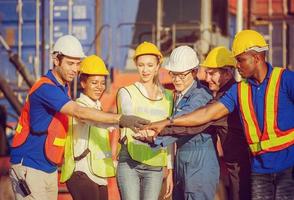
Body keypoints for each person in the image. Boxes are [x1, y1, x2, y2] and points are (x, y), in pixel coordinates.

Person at [148, 30, 294, 200]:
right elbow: (205, 114)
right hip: (258, 168)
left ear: (256, 58)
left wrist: (162, 130)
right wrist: (166, 122)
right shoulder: (238, 90)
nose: (237, 65)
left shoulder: (285, 79)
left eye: (240, 60)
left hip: (283, 167)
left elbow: (198, 122)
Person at [9, 35, 149, 200]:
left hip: (48, 167)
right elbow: (79, 111)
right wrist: (120, 119)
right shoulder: (46, 88)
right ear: (56, 60)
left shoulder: (63, 87)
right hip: (29, 166)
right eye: (70, 63)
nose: (75, 69)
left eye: (77, 64)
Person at [158, 45, 219, 200]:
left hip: (200, 160)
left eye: (182, 75)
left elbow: (181, 123)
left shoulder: (200, 96)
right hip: (183, 158)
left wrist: (154, 137)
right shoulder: (178, 95)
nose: (177, 79)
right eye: (173, 74)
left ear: (194, 72)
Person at [116, 42, 174, 200]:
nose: (145, 70)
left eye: (150, 65)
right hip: (129, 161)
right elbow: (128, 115)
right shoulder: (126, 92)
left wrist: (170, 170)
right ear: (136, 65)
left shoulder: (169, 97)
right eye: (141, 65)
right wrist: (147, 131)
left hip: (155, 164)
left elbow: (170, 136)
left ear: (157, 66)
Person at [60, 55, 117, 200]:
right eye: (94, 83)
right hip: (81, 171)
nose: (100, 87)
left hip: (98, 173)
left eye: (102, 83)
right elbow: (96, 120)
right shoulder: (79, 107)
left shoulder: (98, 107)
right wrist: (122, 120)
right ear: (83, 83)